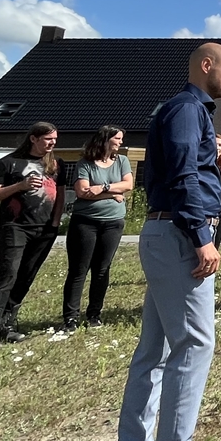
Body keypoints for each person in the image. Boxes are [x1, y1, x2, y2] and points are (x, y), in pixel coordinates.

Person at [113, 42, 221, 441]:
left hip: (166, 232)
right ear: (205, 66)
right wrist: (203, 235)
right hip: (180, 236)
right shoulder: (188, 110)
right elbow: (187, 174)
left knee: (155, 352)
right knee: (194, 346)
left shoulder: (182, 110)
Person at [0, 122, 64, 350]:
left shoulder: (55, 164)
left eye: (55, 139)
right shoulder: (8, 163)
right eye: (48, 139)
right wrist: (20, 186)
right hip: (14, 226)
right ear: (33, 138)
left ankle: (8, 323)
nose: (52, 143)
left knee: (27, 275)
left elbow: (60, 194)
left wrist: (55, 223)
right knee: (8, 274)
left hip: (45, 228)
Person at [63, 126, 133, 332]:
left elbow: (128, 186)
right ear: (106, 139)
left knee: (102, 269)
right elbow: (83, 192)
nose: (120, 142)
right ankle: (70, 317)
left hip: (113, 222)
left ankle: (94, 313)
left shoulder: (122, 161)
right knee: (78, 270)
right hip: (85, 221)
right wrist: (113, 193)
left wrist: (102, 188)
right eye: (117, 139)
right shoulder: (85, 163)